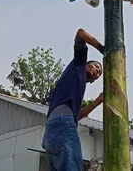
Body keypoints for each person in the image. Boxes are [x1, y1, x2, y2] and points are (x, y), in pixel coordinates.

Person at [42, 28, 104, 171]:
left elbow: (77, 116)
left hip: (52, 131)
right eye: (96, 66)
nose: (97, 70)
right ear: (87, 64)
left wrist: (98, 101)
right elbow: (80, 33)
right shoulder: (78, 64)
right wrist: (102, 49)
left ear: (94, 81)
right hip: (62, 124)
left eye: (99, 72)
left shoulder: (76, 88)